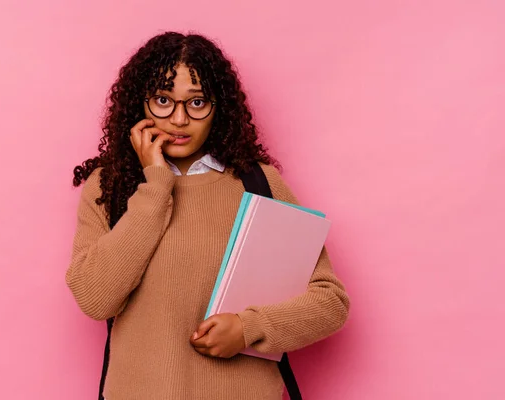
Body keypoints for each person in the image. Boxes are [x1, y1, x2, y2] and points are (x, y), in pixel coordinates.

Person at [67, 31, 350, 400]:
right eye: (163, 101)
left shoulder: (256, 182)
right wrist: (155, 185)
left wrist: (249, 328)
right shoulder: (110, 186)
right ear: (141, 104)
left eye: (197, 102)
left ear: (219, 108)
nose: (180, 119)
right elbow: (95, 298)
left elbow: (330, 301)